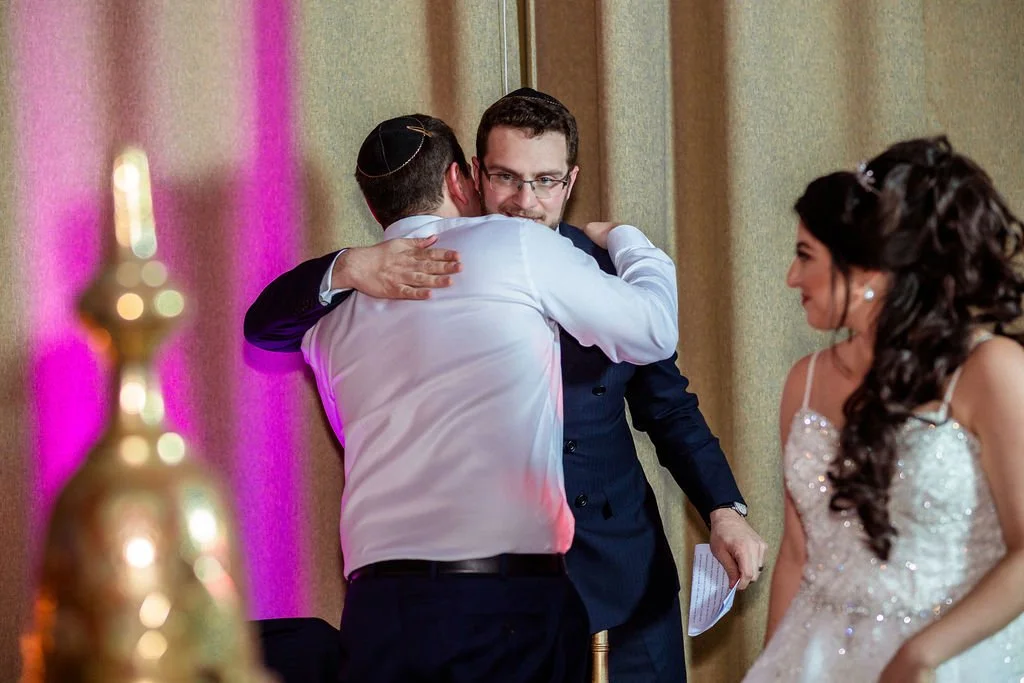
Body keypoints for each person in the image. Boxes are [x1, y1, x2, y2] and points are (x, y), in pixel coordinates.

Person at [245, 89, 767, 682]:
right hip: (508, 594)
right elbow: (267, 324)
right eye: (506, 178)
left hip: (615, 572)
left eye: (545, 181)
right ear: (469, 177)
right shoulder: (386, 277)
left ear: (570, 183)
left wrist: (725, 508)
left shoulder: (595, 269)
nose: (525, 201)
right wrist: (347, 265)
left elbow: (668, 404)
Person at [744, 136, 1024, 682]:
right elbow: (798, 557)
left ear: (871, 271)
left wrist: (922, 655)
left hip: (954, 657)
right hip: (817, 659)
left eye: (805, 256)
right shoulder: (804, 381)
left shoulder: (990, 371)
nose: (790, 278)